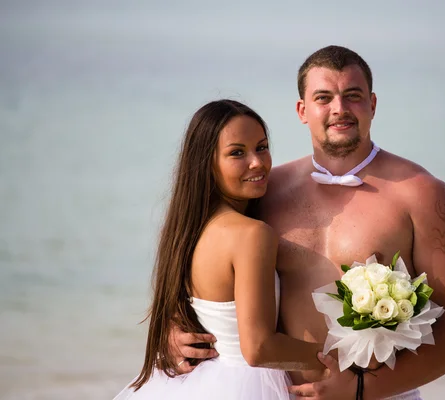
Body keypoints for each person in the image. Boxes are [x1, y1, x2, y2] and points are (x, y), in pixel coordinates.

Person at [170, 45, 445, 400]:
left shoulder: (423, 195)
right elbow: (203, 257)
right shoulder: (265, 192)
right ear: (303, 110)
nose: (339, 109)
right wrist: (175, 327)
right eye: (324, 97)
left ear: (373, 105)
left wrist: (361, 388)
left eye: (353, 96)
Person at [113, 99, 328, 400]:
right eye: (237, 153)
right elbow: (259, 348)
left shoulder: (187, 230)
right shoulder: (251, 235)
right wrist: (337, 358)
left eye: (262, 147)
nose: (257, 162)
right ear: (207, 163)